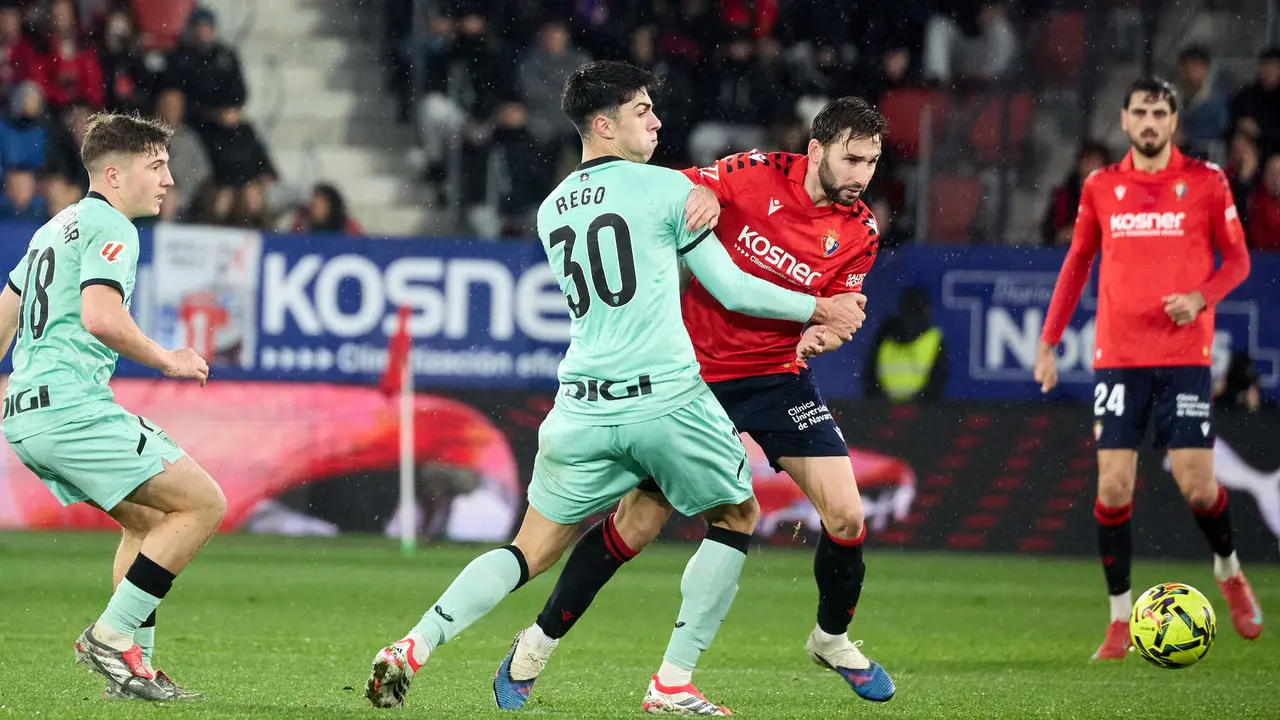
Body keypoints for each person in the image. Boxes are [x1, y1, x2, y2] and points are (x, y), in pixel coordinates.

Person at [363, 60, 868, 713]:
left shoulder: (551, 210)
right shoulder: (661, 190)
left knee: (528, 550)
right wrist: (817, 308)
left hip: (580, 403)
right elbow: (733, 288)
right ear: (603, 124)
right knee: (737, 514)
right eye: (641, 111)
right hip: (663, 396)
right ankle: (672, 683)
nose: (657, 121)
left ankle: (414, 644)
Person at [493, 96, 896, 713]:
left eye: (871, 162)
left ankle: (830, 638)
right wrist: (695, 191)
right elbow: (664, 190)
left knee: (846, 516)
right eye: (852, 159)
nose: (862, 175)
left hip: (776, 378)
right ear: (816, 150)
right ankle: (535, 645)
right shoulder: (752, 173)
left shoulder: (861, 232)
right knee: (638, 522)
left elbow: (843, 313)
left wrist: (825, 334)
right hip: (692, 374)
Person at [1034, 77, 1259, 661]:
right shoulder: (1101, 186)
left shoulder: (1207, 182)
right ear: (1125, 120)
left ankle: (1229, 570)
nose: (1150, 121)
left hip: (1184, 356)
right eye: (1141, 112)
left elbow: (1237, 260)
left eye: (1160, 112)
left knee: (1197, 483)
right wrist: (1049, 341)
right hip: (1119, 358)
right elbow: (1077, 262)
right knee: (1111, 487)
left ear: (1174, 121)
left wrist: (1201, 297)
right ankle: (1117, 620)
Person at [0, 113, 223, 700]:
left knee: (148, 521)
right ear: (116, 174)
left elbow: (4, 319)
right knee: (203, 503)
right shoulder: (111, 225)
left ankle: (134, 671)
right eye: (157, 166)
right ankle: (109, 636)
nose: (170, 179)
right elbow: (100, 317)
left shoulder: (54, 227)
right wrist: (166, 358)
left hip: (28, 415)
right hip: (71, 409)